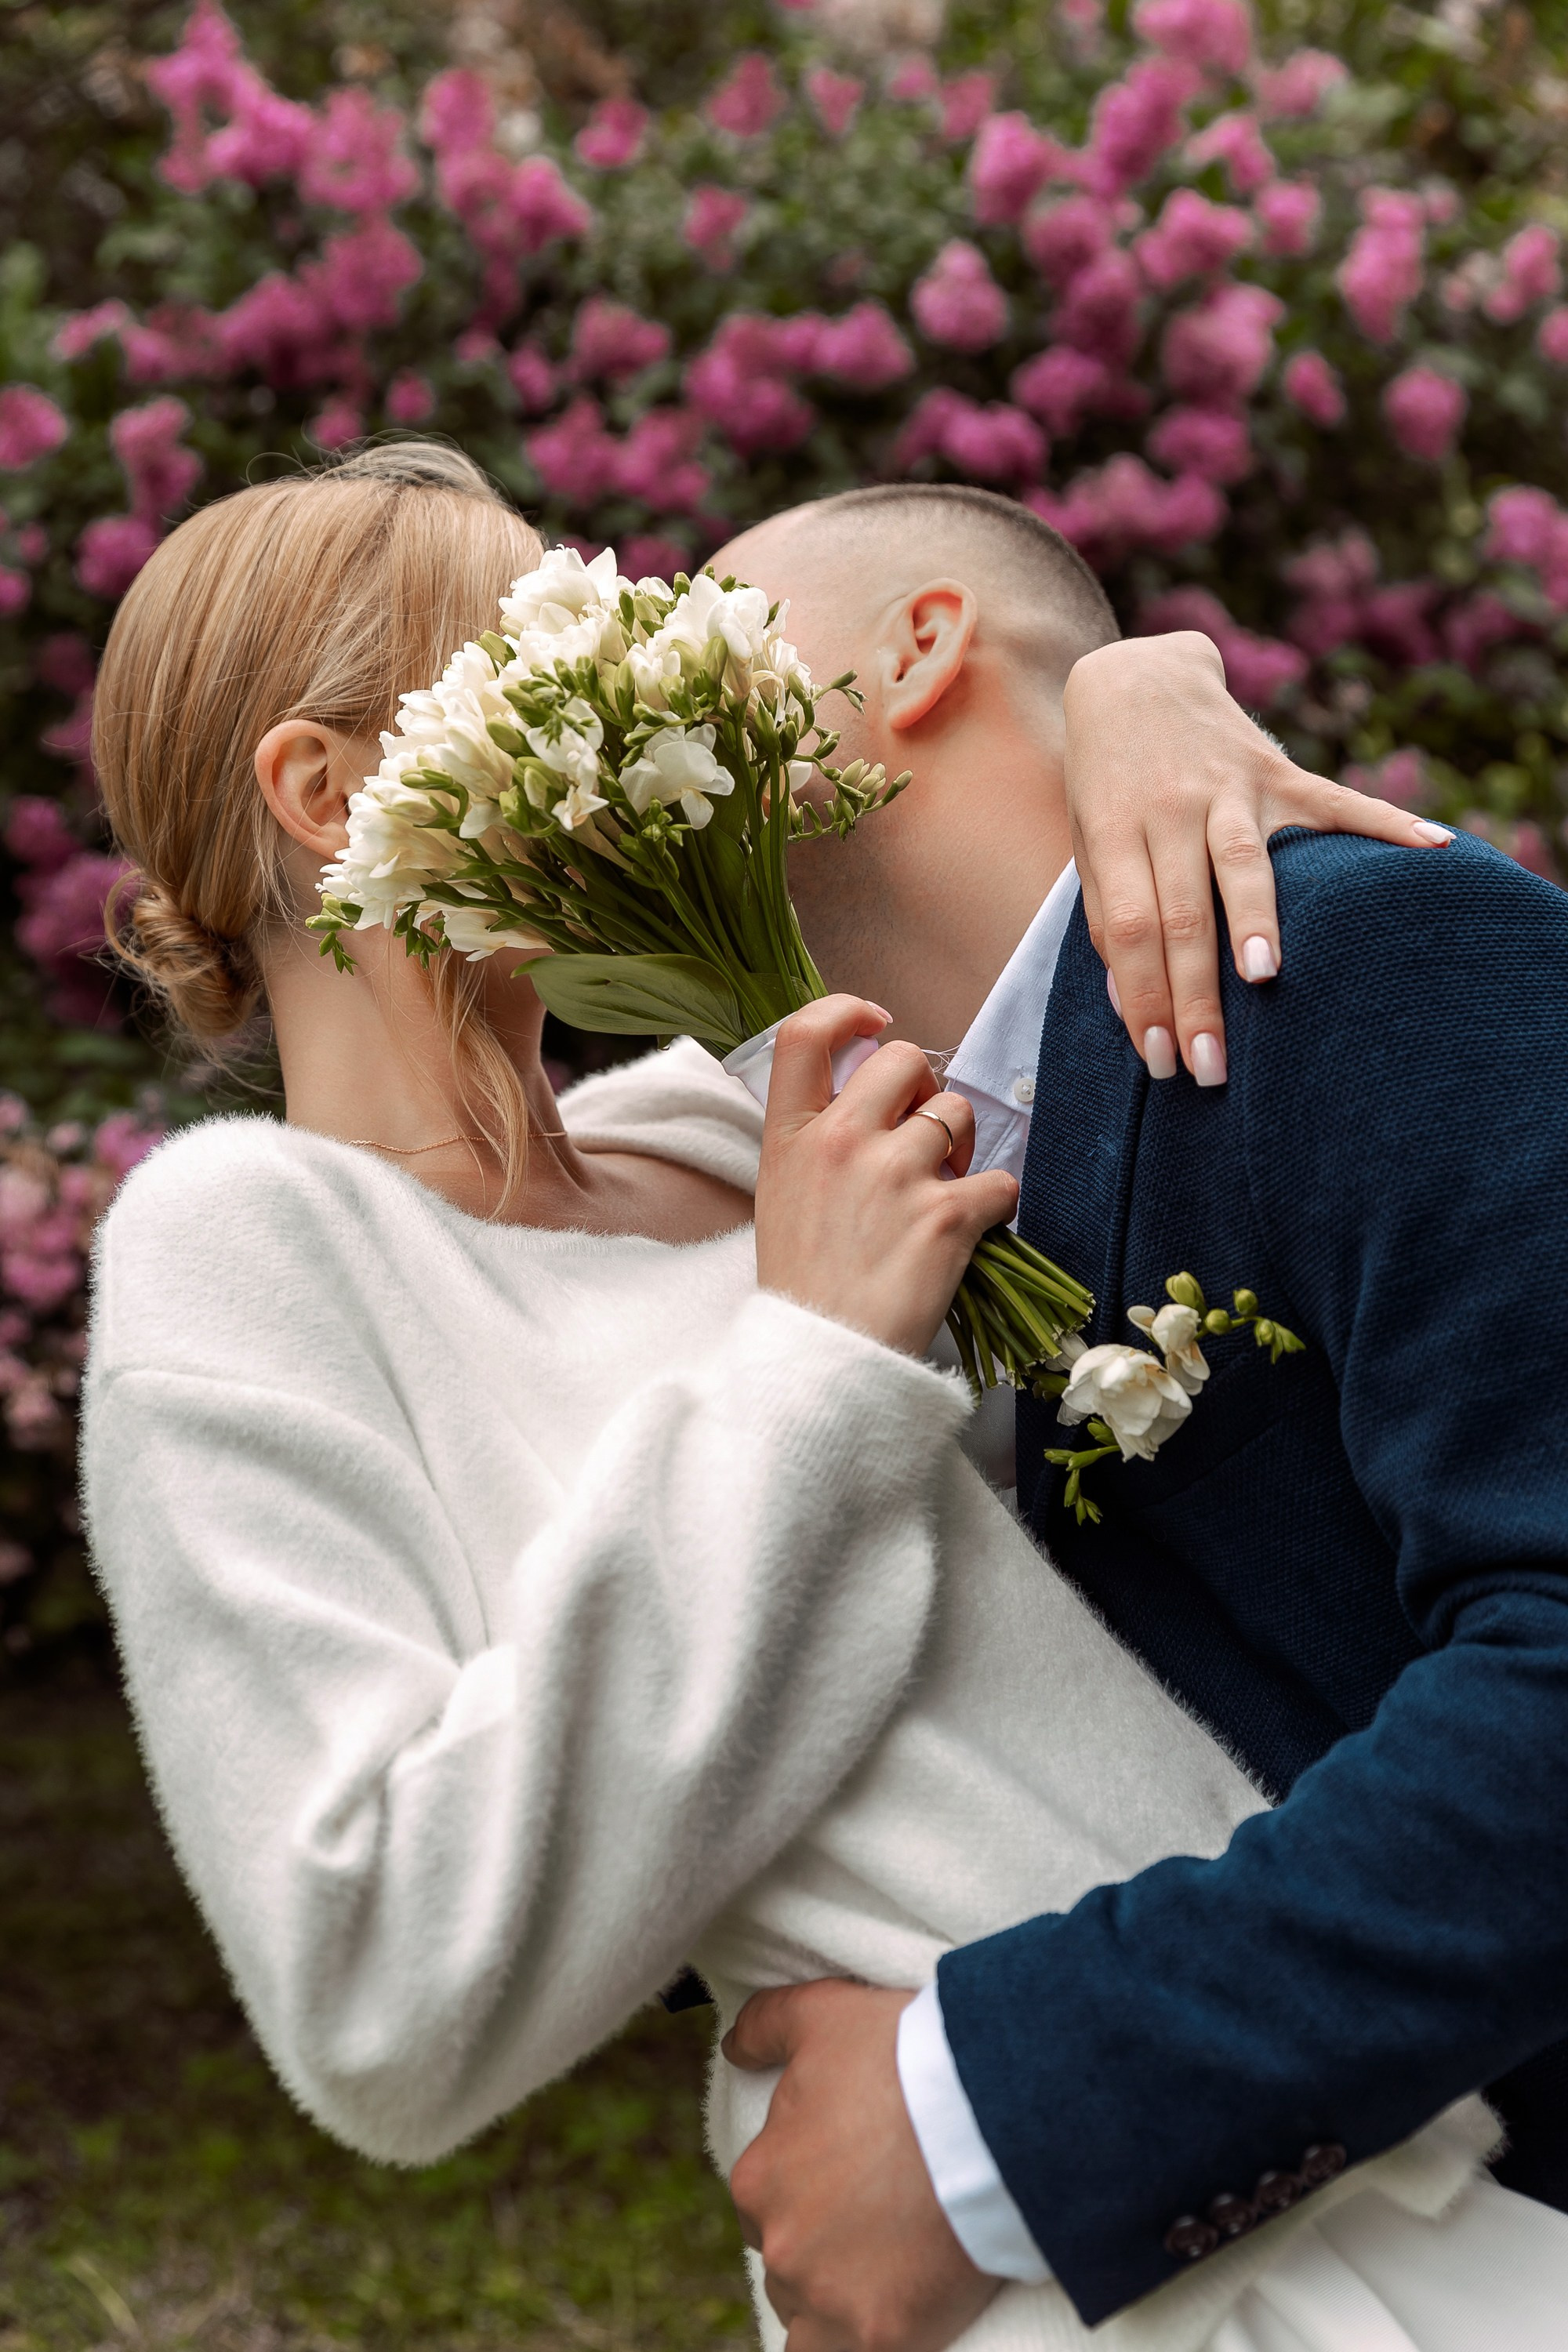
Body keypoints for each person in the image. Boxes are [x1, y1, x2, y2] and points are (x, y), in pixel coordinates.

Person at [81, 444, 1541, 2352]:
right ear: (330, 791)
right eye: (541, 663)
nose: (636, 696)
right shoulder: (245, 1245)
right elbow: (372, 1986)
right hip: (1044, 2281)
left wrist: (1128, 687)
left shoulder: (753, 1121)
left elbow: (1056, 1002)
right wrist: (811, 1370)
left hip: (1358, 2155)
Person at [702, 484, 1568, 2351]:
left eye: (707, 621)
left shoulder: (1363, 957)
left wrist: (994, 2120)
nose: (641, 694)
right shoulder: (826, 1195)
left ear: (919, 648)